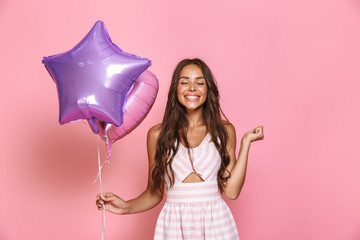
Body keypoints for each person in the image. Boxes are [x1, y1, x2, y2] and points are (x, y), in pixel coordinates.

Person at [96, 58, 264, 239]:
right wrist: (125, 207)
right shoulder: (157, 135)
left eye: (200, 83)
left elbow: (231, 191)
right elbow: (154, 192)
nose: (192, 88)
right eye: (184, 82)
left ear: (208, 89)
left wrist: (246, 142)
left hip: (216, 223)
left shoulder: (223, 130)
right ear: (176, 88)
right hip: (174, 225)